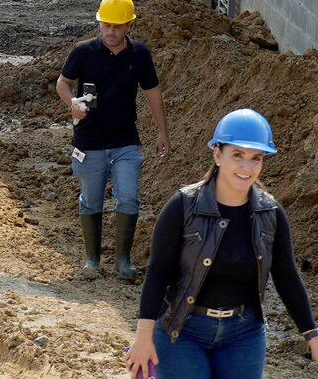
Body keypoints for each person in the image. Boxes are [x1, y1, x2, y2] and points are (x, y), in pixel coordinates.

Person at [125, 110, 318, 379]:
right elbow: (158, 272)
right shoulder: (183, 206)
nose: (247, 168)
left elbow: (287, 276)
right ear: (218, 155)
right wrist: (143, 337)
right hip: (181, 331)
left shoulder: (271, 213)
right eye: (237, 155)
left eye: (256, 158)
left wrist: (312, 335)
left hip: (244, 335)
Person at [55, 0, 170, 281]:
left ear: (129, 26)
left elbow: (153, 93)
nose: (111, 31)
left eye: (117, 26)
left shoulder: (140, 56)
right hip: (89, 143)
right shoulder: (83, 52)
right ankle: (92, 260)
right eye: (106, 25)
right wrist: (73, 103)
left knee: (129, 198)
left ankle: (123, 260)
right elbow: (63, 83)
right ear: (100, 23)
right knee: (91, 201)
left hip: (125, 143)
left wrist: (162, 132)